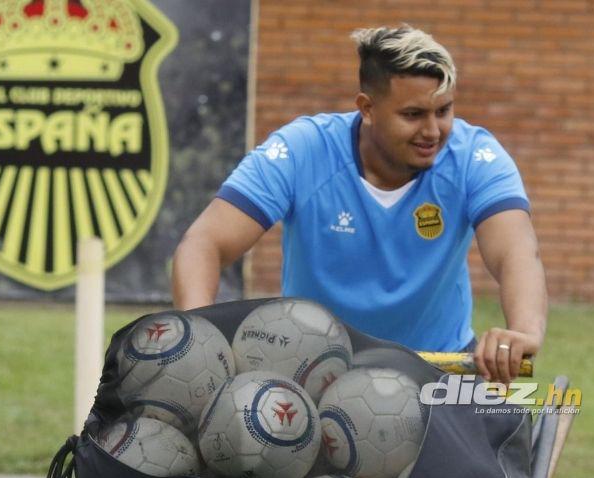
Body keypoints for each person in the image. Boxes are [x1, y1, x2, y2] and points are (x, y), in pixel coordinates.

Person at [173, 25, 548, 386]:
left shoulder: (475, 157)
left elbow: (515, 252)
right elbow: (205, 243)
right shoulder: (303, 149)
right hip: (313, 369)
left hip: (438, 367)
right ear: (367, 108)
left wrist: (524, 330)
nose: (433, 131)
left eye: (443, 111)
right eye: (413, 115)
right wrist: (199, 339)